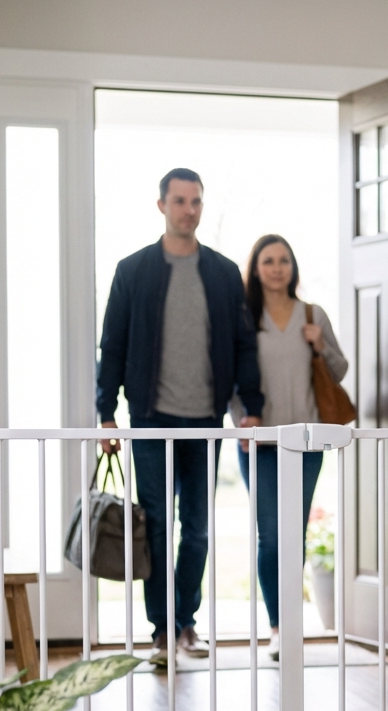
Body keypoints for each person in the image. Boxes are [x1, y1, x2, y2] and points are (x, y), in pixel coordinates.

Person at [97, 168, 263, 668]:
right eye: (179, 201)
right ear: (162, 206)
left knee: (197, 530)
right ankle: (161, 633)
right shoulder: (133, 270)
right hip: (149, 422)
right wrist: (105, 413)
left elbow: (241, 345)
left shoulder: (222, 272)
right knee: (156, 527)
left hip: (205, 421)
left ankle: (184, 622)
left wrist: (249, 409)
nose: (188, 210)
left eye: (195, 202)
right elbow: (114, 344)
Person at [231, 234, 348, 660]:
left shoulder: (313, 314)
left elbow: (339, 370)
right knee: (270, 538)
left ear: (292, 267)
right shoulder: (245, 318)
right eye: (268, 260)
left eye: (283, 260)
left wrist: (320, 343)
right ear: (256, 267)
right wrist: (241, 423)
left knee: (292, 535)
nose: (277, 268)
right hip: (258, 441)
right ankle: (278, 627)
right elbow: (231, 380)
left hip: (307, 439)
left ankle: (290, 625)